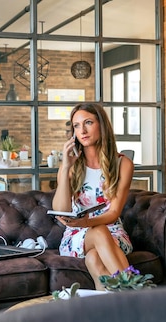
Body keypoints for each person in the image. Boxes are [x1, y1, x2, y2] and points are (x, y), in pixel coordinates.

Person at [52, 103, 135, 290]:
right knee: (98, 232)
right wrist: (65, 167)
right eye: (76, 125)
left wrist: (87, 222)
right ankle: (135, 293)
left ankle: (104, 310)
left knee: (94, 258)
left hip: (113, 232)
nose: (82, 130)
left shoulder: (123, 164)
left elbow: (114, 213)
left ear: (101, 125)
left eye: (88, 122)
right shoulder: (71, 166)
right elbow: (61, 210)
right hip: (77, 235)